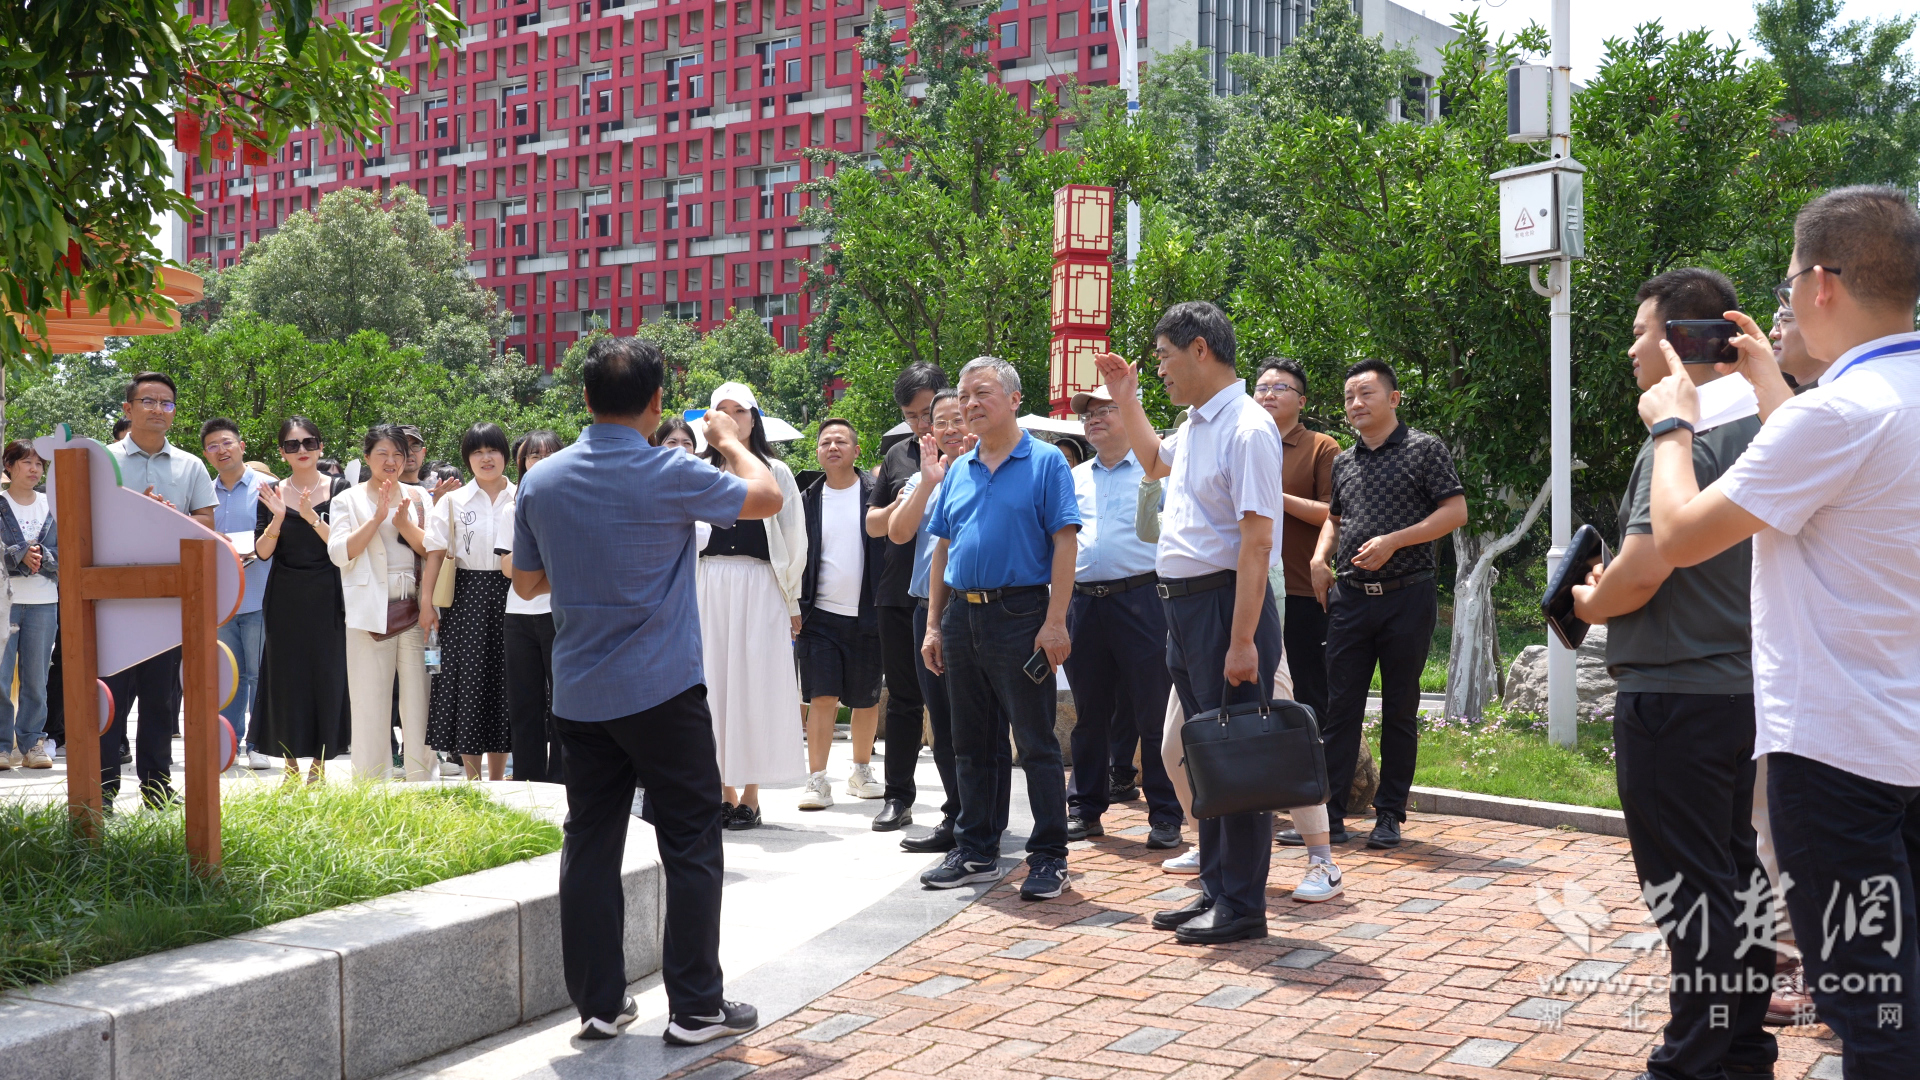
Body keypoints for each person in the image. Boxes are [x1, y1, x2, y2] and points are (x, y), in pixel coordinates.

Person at [1638, 186, 1920, 1073]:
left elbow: (1681, 537)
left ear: (1822, 283)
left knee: (1872, 1009)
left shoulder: (1838, 413)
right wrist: (1771, 386)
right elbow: (1830, 489)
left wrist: (1672, 429)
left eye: (1791, 278)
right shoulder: (1869, 403)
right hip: (1906, 737)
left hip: (1838, 758)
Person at [513, 335, 773, 1045]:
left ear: (585, 397)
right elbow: (769, 496)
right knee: (690, 839)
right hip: (663, 688)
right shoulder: (670, 469)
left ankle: (599, 1005)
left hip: (580, 692)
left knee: (590, 843)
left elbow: (527, 583)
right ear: (657, 401)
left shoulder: (542, 479)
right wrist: (729, 440)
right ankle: (695, 1007)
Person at [1570, 267, 1774, 1080]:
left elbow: (1646, 568)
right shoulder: (1764, 424)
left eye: (1640, 332)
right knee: (1734, 876)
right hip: (1739, 693)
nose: (1630, 350)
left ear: (1682, 339)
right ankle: (1744, 1049)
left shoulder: (1681, 440)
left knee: (1690, 894)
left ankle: (1691, 1060)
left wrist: (1590, 602)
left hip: (1673, 694)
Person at [1091, 302, 1283, 944]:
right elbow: (1153, 462)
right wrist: (1126, 397)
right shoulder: (1200, 422)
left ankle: (1243, 904)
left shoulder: (1248, 428)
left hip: (1225, 607)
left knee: (1237, 759)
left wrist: (1242, 641)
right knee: (1205, 757)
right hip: (1183, 607)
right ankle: (1216, 887)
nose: (1161, 370)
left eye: (1164, 357)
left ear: (1200, 349)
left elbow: (1257, 541)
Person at [918, 356, 1080, 902]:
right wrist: (934, 625)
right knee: (970, 741)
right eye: (963, 395)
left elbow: (1065, 543)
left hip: (1021, 615)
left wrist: (1055, 621)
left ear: (1013, 399)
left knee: (1035, 742)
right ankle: (976, 848)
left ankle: (1050, 855)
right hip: (962, 615)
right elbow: (943, 549)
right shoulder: (959, 468)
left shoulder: (1046, 462)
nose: (969, 404)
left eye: (981, 393)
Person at [1310, 359, 1466, 849]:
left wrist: (1394, 541)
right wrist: (1319, 557)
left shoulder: (1425, 449)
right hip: (1351, 598)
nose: (1355, 404)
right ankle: (1330, 815)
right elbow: (1335, 518)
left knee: (1400, 707)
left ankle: (1390, 814)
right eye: (1349, 397)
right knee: (1340, 709)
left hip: (1407, 596)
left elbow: (1455, 512)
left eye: (1366, 394)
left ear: (1394, 398)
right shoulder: (1344, 461)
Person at [1060, 384, 1181, 849]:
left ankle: (1166, 814)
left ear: (1131, 414)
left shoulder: (1159, 472)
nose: (1094, 419)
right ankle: (1084, 808)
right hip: (1084, 603)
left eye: (1105, 410)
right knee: (1089, 714)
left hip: (1144, 600)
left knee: (1154, 712)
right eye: (1087, 414)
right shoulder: (1074, 478)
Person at [886, 388, 1005, 853]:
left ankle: (986, 819)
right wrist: (929, 483)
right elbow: (898, 533)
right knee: (942, 721)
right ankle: (958, 815)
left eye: (959, 418)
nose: (951, 429)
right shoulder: (925, 477)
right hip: (929, 612)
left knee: (984, 722)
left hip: (978, 607)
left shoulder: (992, 469)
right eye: (941, 422)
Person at [103, 371, 216, 808]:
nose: (157, 409)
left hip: (168, 600)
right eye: (148, 401)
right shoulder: (102, 461)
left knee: (161, 700)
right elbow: (83, 519)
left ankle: (156, 786)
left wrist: (171, 517)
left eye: (166, 403)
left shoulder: (190, 465)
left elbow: (206, 522)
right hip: (110, 598)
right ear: (127, 409)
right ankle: (101, 788)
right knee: (109, 698)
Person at [698, 381, 807, 828]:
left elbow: (794, 539)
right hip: (708, 584)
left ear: (753, 418)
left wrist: (792, 599)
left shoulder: (774, 471)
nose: (730, 418)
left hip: (761, 585)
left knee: (755, 685)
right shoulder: (698, 469)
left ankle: (752, 796)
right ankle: (723, 792)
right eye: (720, 410)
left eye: (739, 410)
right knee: (714, 684)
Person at [328, 424, 434, 782]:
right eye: (382, 453)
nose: (391, 461)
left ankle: (423, 782)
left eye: (398, 454)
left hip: (416, 609)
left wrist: (404, 523)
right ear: (367, 457)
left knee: (420, 702)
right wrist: (376, 518)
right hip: (369, 612)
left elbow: (433, 550)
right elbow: (339, 553)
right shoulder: (348, 499)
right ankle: (371, 786)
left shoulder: (419, 498)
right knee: (369, 703)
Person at [867, 362, 947, 831]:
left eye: (925, 412)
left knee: (954, 704)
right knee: (902, 699)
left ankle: (962, 806)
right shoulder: (898, 456)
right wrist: (904, 503)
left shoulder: (968, 450)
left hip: (954, 595)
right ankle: (898, 796)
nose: (920, 423)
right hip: (899, 592)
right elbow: (873, 523)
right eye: (910, 415)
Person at [794, 418, 887, 811]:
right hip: (819, 616)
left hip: (869, 614)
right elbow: (795, 556)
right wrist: (793, 606)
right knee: (822, 697)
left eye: (841, 441)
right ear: (817, 451)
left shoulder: (875, 493)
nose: (832, 447)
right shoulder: (806, 499)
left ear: (856, 450)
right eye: (825, 442)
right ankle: (817, 780)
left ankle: (861, 771)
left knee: (866, 699)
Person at [253, 418, 353, 782]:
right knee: (286, 680)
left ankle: (319, 767)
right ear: (282, 452)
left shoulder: (340, 488)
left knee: (327, 677)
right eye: (292, 445)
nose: (302, 451)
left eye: (309, 443)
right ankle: (290, 766)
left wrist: (311, 517)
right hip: (284, 597)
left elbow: (343, 545)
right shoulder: (271, 492)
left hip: (328, 594)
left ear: (321, 446)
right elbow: (262, 551)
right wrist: (278, 518)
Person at [422, 422, 516, 781]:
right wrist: (427, 604)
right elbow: (435, 555)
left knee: (504, 685)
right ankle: (472, 781)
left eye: (492, 450)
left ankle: (498, 779)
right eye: (477, 452)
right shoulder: (453, 501)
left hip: (513, 594)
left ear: (505, 455)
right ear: (467, 459)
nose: (486, 458)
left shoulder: (521, 495)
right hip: (465, 597)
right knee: (469, 685)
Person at [200, 418, 274, 770]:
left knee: (260, 674)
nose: (221, 450)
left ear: (242, 446)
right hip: (221, 601)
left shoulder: (269, 487)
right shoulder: (202, 494)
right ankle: (226, 743)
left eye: (227, 442)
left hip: (260, 595)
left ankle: (259, 744)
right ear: (206, 454)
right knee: (228, 675)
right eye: (213, 446)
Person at [497, 430, 567, 783]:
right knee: (524, 705)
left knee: (564, 704)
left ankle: (562, 780)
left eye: (548, 454)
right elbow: (507, 567)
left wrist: (530, 563)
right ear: (522, 463)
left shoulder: (572, 504)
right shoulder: (512, 508)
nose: (540, 461)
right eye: (533, 456)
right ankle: (528, 780)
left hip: (560, 614)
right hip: (519, 616)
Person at [0, 442, 57, 770]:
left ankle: (33, 743)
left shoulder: (53, 504)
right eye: (26, 462)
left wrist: (42, 556)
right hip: (4, 602)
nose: (34, 469)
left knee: (37, 679)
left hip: (43, 601)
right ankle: (2, 747)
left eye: (39, 464)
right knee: (1, 677)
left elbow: (68, 549)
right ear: (9, 466)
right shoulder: (1, 504)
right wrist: (19, 554)